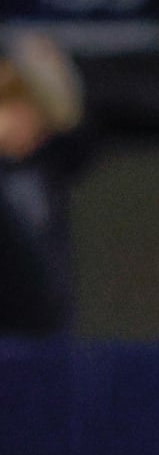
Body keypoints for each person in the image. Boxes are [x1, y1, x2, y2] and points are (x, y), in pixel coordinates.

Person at [0, 33, 91, 336]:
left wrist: (52, 71)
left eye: (27, 110)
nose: (18, 120)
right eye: (8, 109)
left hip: (48, 315)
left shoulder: (50, 158)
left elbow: (69, 116)